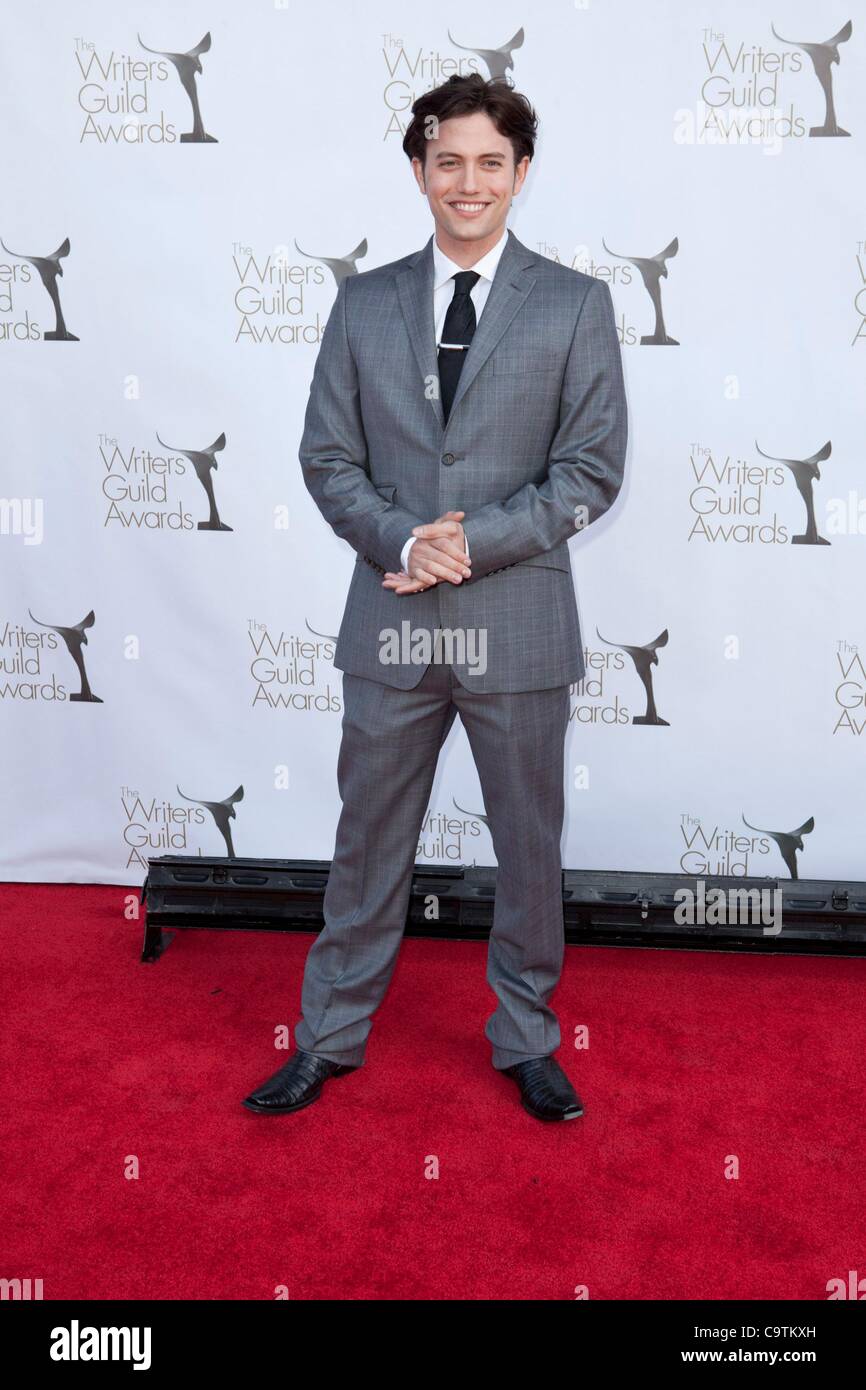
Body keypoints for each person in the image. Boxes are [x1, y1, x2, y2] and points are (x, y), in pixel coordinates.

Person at [243, 72, 627, 1122]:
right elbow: (328, 458)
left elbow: (590, 469)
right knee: (367, 841)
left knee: (527, 850)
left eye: (489, 163)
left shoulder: (575, 304)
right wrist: (400, 537)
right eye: (446, 160)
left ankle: (526, 1040)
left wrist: (467, 545)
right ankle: (326, 1036)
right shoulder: (361, 303)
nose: (467, 181)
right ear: (418, 168)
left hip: (520, 624)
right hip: (390, 620)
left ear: (521, 173)